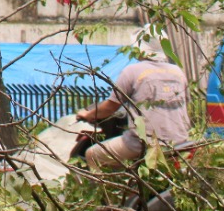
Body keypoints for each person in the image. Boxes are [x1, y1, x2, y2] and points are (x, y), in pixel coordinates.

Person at [74, 28, 190, 168]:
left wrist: (87, 114)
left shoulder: (132, 71)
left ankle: (108, 189)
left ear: (139, 48)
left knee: (92, 154)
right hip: (180, 142)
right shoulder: (178, 72)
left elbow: (109, 108)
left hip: (143, 144)